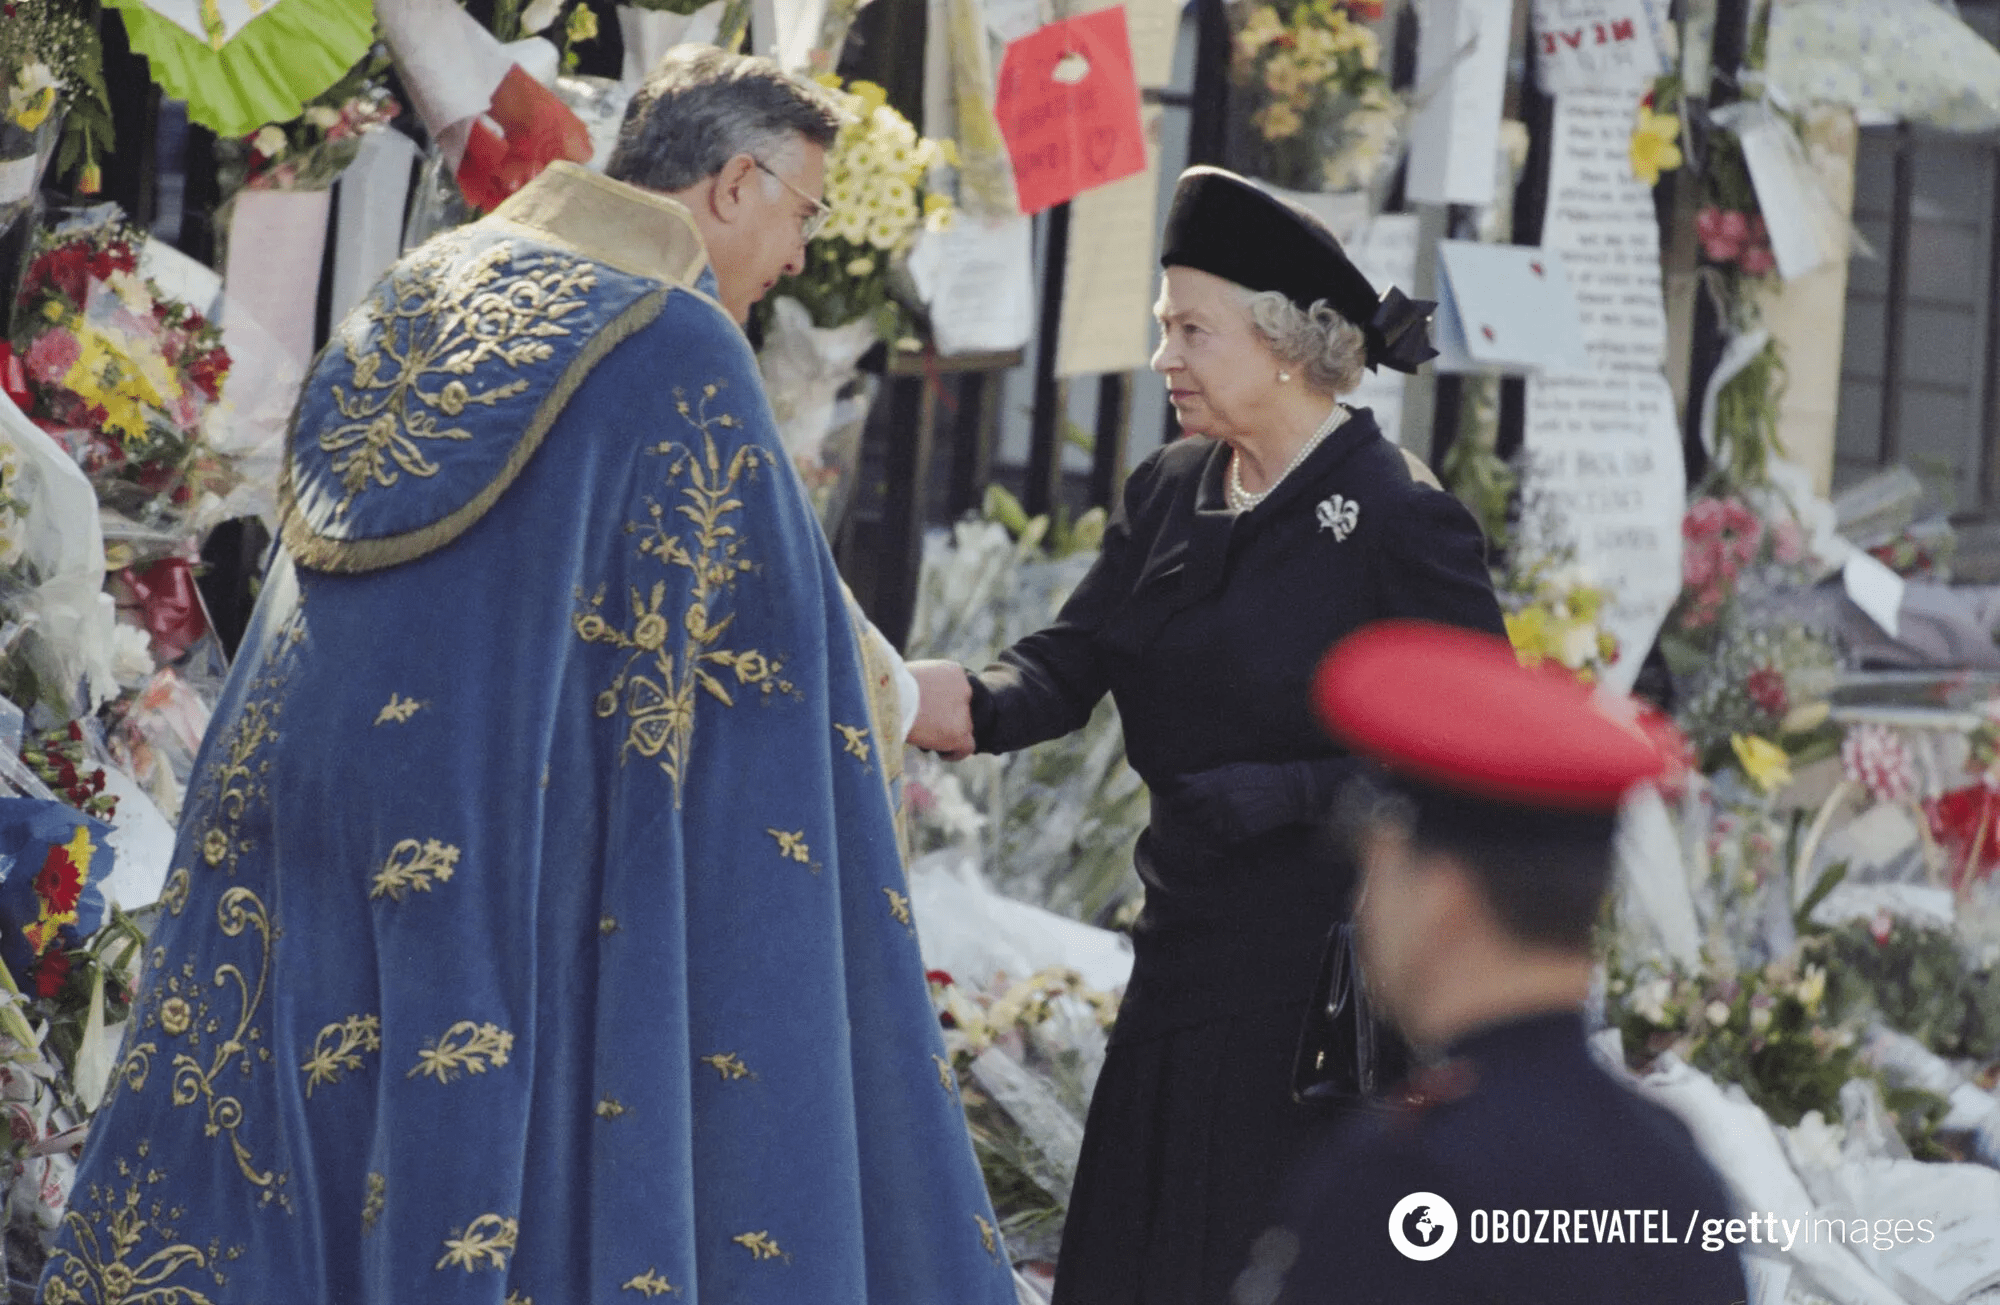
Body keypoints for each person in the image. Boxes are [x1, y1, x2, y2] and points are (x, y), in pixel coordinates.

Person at [42, 48, 1015, 1305]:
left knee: (288, 1159)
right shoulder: (673, 343)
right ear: (731, 184)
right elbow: (769, 653)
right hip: (498, 850)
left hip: (288, 817)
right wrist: (903, 697)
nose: (795, 255)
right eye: (803, 214)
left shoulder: (427, 280)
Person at [907, 165, 1507, 1305]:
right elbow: (1069, 663)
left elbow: (1475, 759)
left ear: (1286, 345)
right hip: (1181, 960)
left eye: (1191, 329)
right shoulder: (1173, 487)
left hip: (1319, 994)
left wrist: (1291, 791)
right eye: (1159, 325)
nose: (1162, 358)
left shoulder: (1397, 517)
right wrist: (948, 699)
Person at [1248, 620, 1746, 1305]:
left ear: (1441, 898)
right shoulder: (1676, 1177)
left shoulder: (1402, 1181)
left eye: (1377, 868)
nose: (1364, 907)